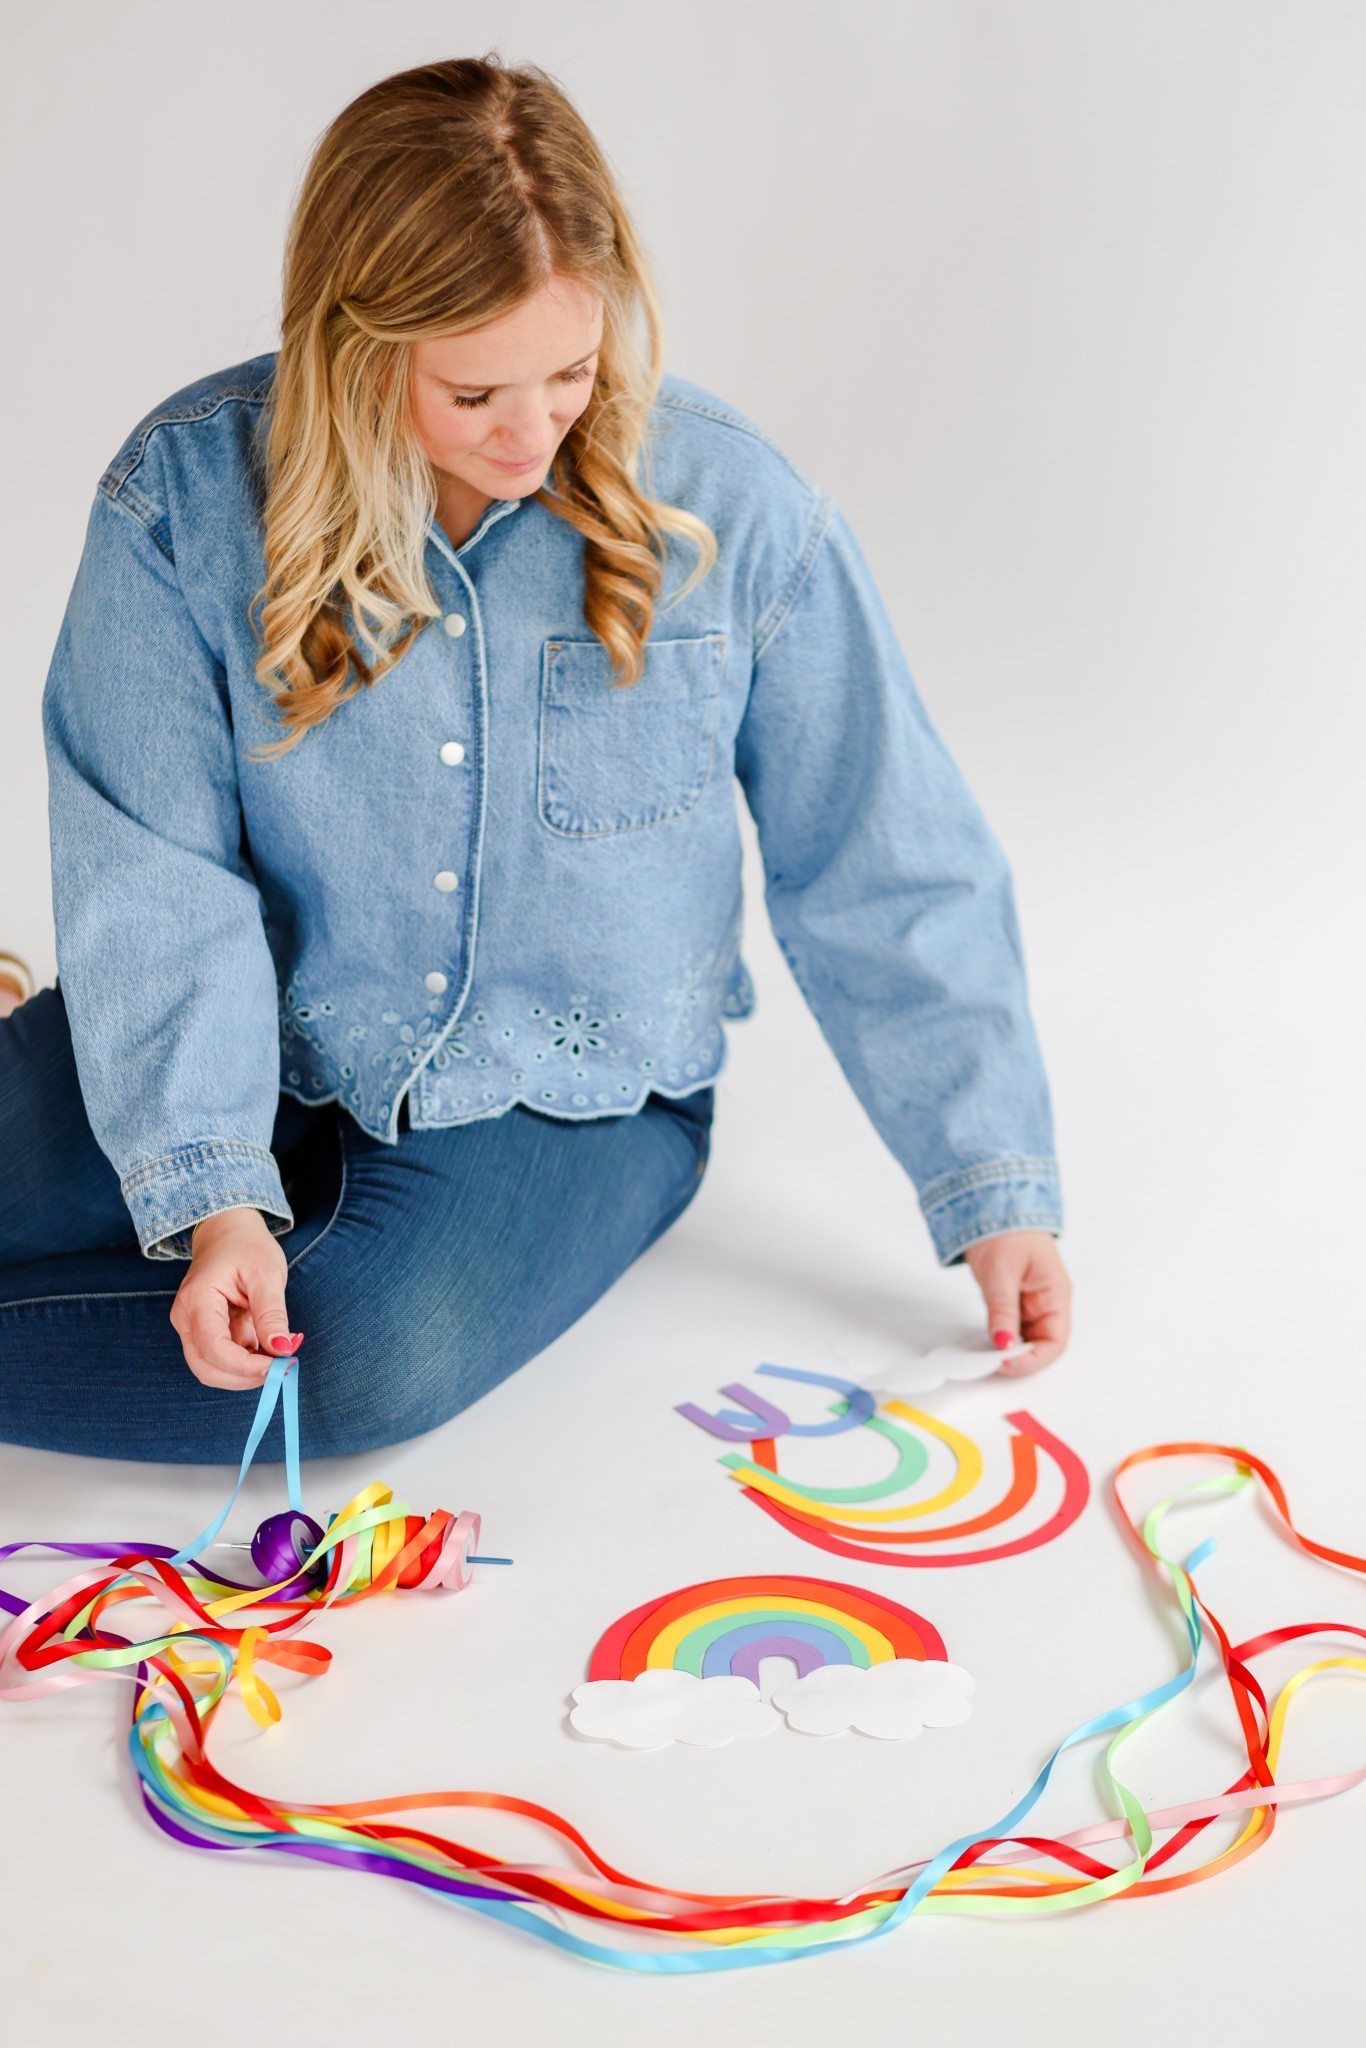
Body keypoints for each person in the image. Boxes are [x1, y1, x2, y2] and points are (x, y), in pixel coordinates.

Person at [0, 54, 1071, 1465]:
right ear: (353, 345)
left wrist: (991, 1185)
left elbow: (880, 850)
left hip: (569, 1100)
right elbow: (157, 869)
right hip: (225, 1030)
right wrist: (210, 1196)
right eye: (476, 391)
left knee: (353, 1360)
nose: (532, 432)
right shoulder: (183, 505)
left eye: (570, 371)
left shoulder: (732, 512)